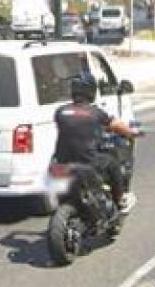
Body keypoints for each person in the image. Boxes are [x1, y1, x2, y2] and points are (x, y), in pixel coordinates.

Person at [52, 73, 142, 213]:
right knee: (113, 164)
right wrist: (132, 133)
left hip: (61, 162)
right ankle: (120, 199)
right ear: (91, 91)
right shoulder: (96, 113)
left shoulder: (60, 112)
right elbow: (116, 125)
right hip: (88, 162)